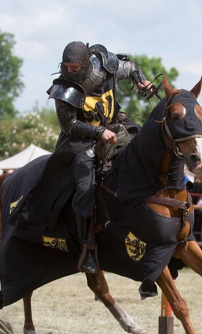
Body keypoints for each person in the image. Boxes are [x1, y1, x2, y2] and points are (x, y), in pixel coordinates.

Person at [9, 41, 152, 273]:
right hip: (79, 140)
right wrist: (99, 133)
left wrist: (141, 81)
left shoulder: (105, 66)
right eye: (66, 67)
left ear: (86, 64)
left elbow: (129, 66)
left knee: (140, 149)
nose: (70, 71)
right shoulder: (63, 88)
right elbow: (69, 125)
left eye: (75, 67)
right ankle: (87, 246)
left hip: (111, 127)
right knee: (85, 186)